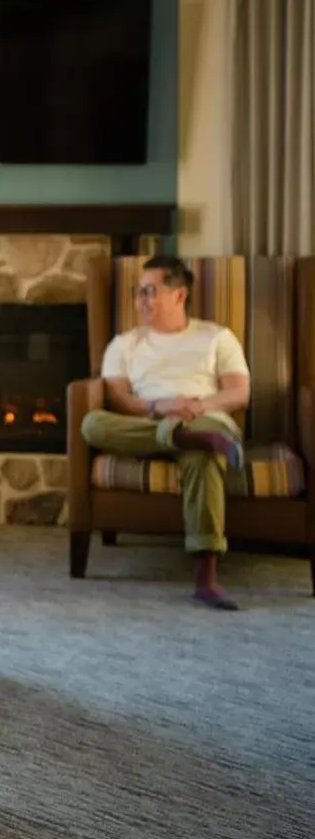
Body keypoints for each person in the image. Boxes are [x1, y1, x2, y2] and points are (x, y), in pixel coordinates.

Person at [81, 254, 251, 610]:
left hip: (204, 420)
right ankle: (180, 437)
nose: (141, 300)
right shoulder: (125, 343)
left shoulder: (216, 337)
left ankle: (206, 577)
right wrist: (162, 407)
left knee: (203, 450)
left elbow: (239, 392)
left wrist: (197, 407)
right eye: (138, 292)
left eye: (150, 291)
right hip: (148, 423)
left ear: (179, 294)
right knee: (92, 423)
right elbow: (121, 398)